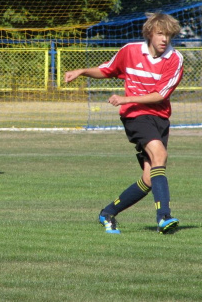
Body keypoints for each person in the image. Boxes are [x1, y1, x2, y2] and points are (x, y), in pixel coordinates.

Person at [64, 12, 183, 234]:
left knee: (149, 178)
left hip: (159, 117)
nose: (164, 39)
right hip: (135, 115)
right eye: (160, 34)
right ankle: (164, 217)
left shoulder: (175, 59)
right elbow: (107, 70)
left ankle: (107, 213)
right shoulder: (130, 51)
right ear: (149, 33)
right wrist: (82, 71)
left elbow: (160, 95)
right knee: (159, 154)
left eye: (168, 35)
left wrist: (125, 97)